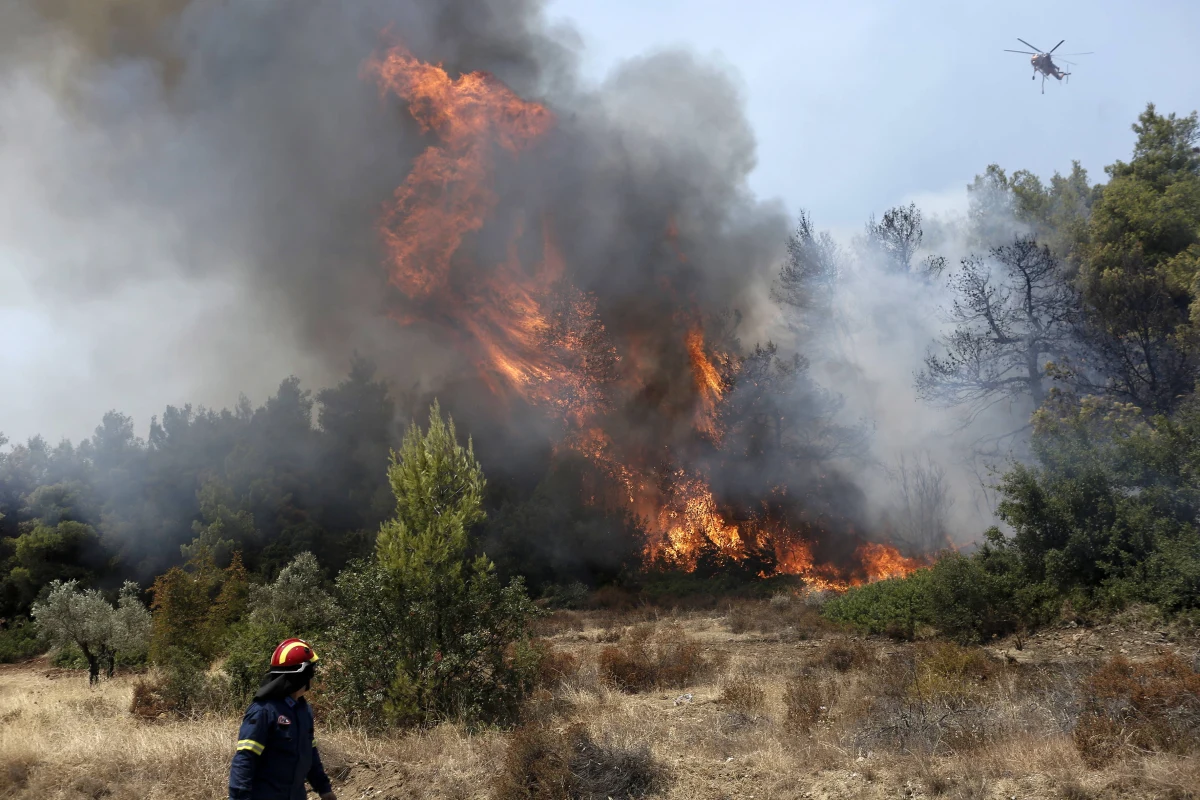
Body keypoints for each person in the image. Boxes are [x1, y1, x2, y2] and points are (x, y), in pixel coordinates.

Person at [228, 638, 337, 800]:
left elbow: (310, 753)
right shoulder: (263, 711)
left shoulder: (303, 710)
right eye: (311, 672)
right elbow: (245, 759)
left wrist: (324, 788)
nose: (312, 678)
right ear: (301, 674)